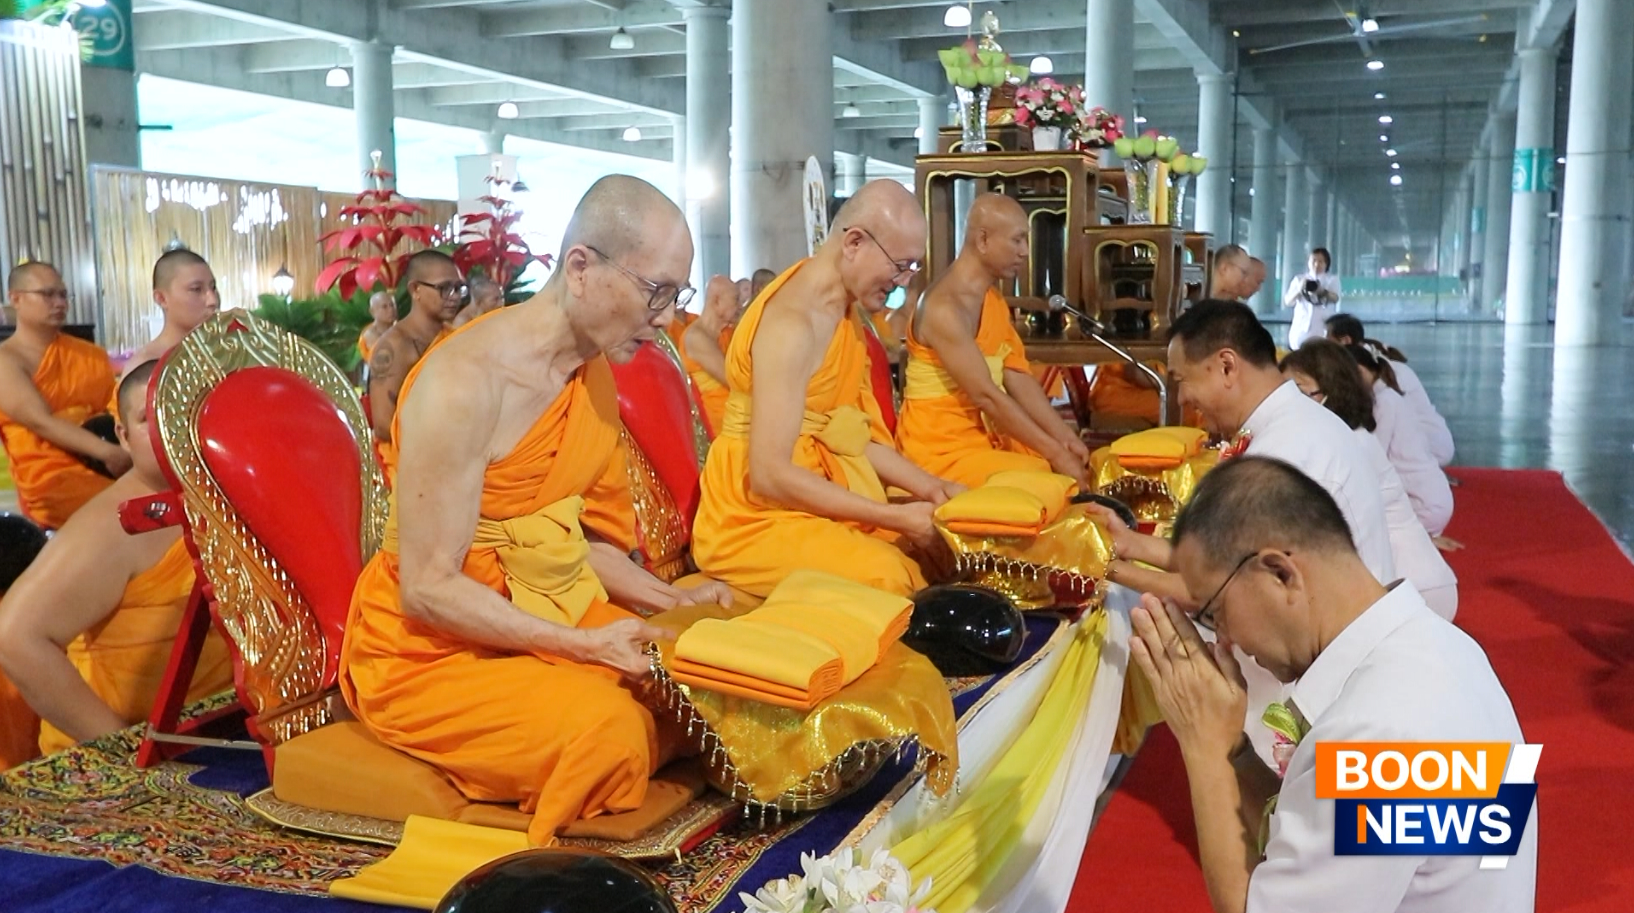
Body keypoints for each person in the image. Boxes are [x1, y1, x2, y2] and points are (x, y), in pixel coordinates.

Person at [342, 175, 730, 848]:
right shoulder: (465, 383)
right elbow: (427, 586)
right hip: (430, 649)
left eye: (677, 296)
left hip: (546, 604)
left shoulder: (590, 371)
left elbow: (565, 541)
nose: (667, 317)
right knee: (611, 730)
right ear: (580, 268)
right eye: (656, 291)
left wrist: (673, 597)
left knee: (705, 689)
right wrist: (584, 646)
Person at [1127, 456, 1534, 913]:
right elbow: (1321, 828)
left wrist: (1203, 745)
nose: (1225, 639)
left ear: (1280, 573)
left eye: (1215, 612)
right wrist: (1235, 752)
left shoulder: (1378, 732)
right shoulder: (1443, 650)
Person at [1090, 300, 1396, 765]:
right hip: (1325, 651)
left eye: (1181, 380)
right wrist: (1129, 544)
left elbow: (1221, 590)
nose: (1182, 398)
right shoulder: (1286, 426)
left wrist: (1102, 565)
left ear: (1226, 366)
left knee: (1295, 819)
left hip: (1328, 675)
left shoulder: (1285, 451)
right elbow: (1220, 557)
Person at [691, 180, 962, 599]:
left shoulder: (843, 310)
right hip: (751, 518)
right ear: (854, 242)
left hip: (814, 490)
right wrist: (895, 518)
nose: (905, 283)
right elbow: (768, 476)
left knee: (942, 550)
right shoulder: (792, 324)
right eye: (901, 266)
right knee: (891, 577)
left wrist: (932, 488)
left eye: (913, 269)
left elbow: (844, 434)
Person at [0, 361, 233, 755]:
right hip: (127, 758)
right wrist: (127, 750)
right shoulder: (113, 525)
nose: (168, 430)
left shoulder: (220, 496)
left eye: (182, 413)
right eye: (148, 419)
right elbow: (15, 639)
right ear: (123, 437)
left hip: (215, 729)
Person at [896, 193, 1089, 488]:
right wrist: (1054, 452)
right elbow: (985, 394)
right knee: (1048, 478)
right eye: (1017, 240)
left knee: (1065, 467)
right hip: (940, 450)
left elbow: (1017, 376)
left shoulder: (993, 300)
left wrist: (1064, 438)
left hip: (986, 439)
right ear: (983, 240)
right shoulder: (943, 308)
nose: (1025, 251)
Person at [1280, 341, 1458, 617]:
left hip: (1407, 586)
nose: (1289, 405)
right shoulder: (1349, 437)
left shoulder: (1345, 445)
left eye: (1299, 393)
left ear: (1331, 391)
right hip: (1404, 581)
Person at [0, 262, 125, 529]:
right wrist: (108, 453)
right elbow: (39, 421)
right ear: (16, 299)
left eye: (63, 294)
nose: (59, 303)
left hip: (111, 462)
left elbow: (115, 411)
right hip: (53, 476)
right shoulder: (5, 361)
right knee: (128, 508)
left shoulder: (88, 354)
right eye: (47, 294)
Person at [1346, 343, 1454, 538]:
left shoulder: (1385, 402)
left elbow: (1374, 457)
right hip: (1433, 500)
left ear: (1360, 371)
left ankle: (1419, 539)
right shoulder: (1387, 396)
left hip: (1423, 505)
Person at [367, 251, 465, 465]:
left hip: (457, 454)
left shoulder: (456, 337)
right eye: (444, 288)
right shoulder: (394, 345)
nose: (454, 296)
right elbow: (384, 426)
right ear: (415, 290)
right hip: (407, 464)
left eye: (458, 288)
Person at [1325, 314, 1454, 466]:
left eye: (1328, 338)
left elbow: (1378, 442)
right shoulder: (1373, 363)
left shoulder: (1385, 379)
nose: (1325, 345)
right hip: (1425, 443)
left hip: (1430, 447)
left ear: (1345, 340)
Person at [128, 250, 222, 368]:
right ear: (162, 299)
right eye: (196, 289)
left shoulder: (226, 354)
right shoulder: (146, 366)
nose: (213, 301)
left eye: (213, 288)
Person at [679, 275, 740, 434]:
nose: (739, 306)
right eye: (735, 300)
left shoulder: (725, 333)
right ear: (717, 301)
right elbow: (734, 379)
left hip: (737, 416)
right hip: (720, 427)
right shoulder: (696, 337)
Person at [1282, 247, 1340, 349]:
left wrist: (1322, 291)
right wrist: (1299, 290)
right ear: (1308, 262)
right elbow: (1288, 301)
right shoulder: (1299, 279)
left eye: (1321, 261)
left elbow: (1335, 298)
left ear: (1326, 264)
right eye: (1314, 261)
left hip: (1322, 327)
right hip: (1300, 328)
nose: (1316, 264)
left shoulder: (1332, 280)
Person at [357, 290, 398, 364]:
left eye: (392, 305)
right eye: (384, 307)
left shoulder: (397, 327)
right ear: (372, 312)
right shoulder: (370, 334)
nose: (391, 310)